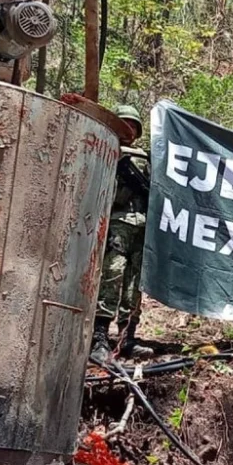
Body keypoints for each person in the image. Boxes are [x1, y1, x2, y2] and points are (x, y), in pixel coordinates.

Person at [92, 105, 152, 362]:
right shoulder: (107, 151)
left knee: (133, 285)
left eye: (132, 126)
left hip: (142, 228)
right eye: (124, 124)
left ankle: (127, 338)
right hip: (117, 225)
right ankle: (99, 338)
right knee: (111, 277)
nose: (128, 130)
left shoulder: (146, 158)